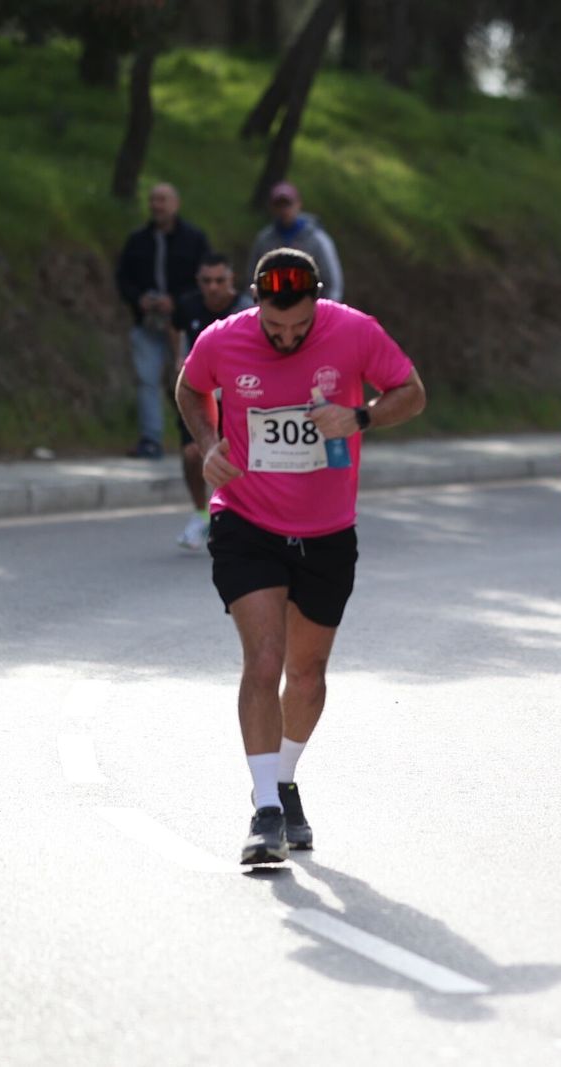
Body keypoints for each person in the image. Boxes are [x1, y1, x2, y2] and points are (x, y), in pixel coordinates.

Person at [175, 248, 426, 865]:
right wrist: (207, 443)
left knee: (307, 675)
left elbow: (412, 393)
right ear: (255, 302)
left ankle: (285, 780)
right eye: (274, 327)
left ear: (318, 302)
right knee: (264, 659)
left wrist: (361, 414)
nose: (287, 339)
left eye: (300, 328)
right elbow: (189, 386)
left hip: (327, 529)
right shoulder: (223, 339)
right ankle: (263, 810)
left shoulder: (354, 330)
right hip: (246, 519)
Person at [115, 183, 211, 459]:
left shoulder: (194, 239)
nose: (157, 205)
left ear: (176, 204)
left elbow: (207, 279)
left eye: (163, 200)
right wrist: (139, 299)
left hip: (185, 325)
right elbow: (123, 279)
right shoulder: (137, 241)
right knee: (147, 380)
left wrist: (178, 301)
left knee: (191, 378)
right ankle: (151, 440)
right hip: (148, 324)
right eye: (153, 200)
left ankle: (202, 438)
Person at [171, 253, 254, 550]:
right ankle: (200, 512)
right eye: (207, 281)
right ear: (199, 282)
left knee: (234, 457)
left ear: (231, 280)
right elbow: (179, 335)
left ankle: (232, 518)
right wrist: (180, 363)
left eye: (220, 280)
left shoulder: (246, 309)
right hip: (198, 392)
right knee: (194, 454)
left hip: (237, 396)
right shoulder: (189, 305)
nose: (214, 287)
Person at [247, 181, 346, 305]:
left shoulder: (317, 240)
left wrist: (325, 311)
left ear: (298, 204)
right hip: (272, 310)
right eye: (279, 205)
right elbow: (252, 279)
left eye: (288, 204)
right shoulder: (264, 240)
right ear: (272, 208)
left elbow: (332, 283)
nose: (284, 210)